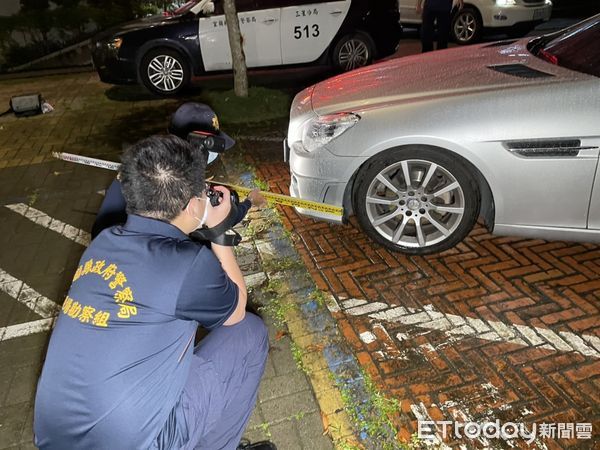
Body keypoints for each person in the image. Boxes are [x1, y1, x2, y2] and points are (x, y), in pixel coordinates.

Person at [34, 135, 275, 450]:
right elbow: (236, 311)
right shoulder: (189, 262)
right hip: (145, 444)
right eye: (203, 190)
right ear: (191, 206)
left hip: (54, 438)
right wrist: (218, 236)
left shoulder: (102, 242)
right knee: (250, 332)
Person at [91, 102, 266, 239]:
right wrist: (248, 203)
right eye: (206, 149)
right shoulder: (171, 186)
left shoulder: (148, 162)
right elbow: (218, 222)